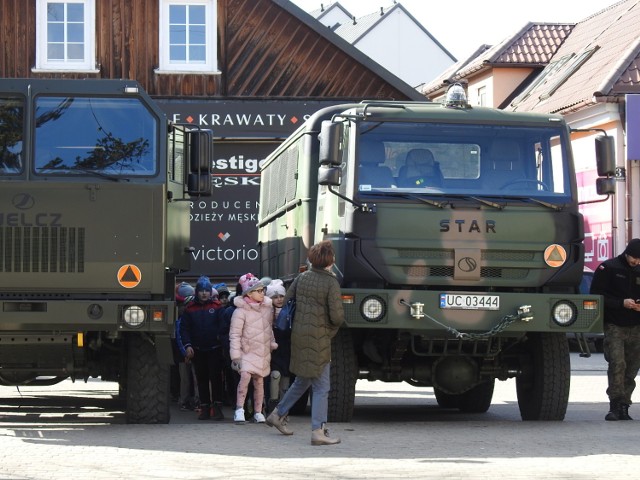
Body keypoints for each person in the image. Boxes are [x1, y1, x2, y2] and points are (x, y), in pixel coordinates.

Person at [266, 240, 345, 446]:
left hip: (299, 335)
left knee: (303, 379)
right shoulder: (331, 282)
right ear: (330, 261)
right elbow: (336, 317)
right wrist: (331, 329)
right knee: (321, 386)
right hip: (320, 338)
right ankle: (318, 431)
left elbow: (288, 304)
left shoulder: (301, 278)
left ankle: (277, 413)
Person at [590, 238, 640, 421]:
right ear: (626, 253)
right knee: (617, 364)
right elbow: (596, 296)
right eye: (634, 258)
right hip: (615, 325)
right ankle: (615, 405)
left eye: (639, 260)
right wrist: (621, 303)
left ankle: (625, 406)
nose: (636, 262)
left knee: (632, 368)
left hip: (637, 326)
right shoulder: (608, 268)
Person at [229, 273, 278, 424]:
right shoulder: (240, 311)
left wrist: (271, 343)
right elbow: (235, 334)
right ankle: (239, 409)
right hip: (246, 352)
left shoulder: (267, 309)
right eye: (258, 291)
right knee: (245, 377)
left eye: (263, 290)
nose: (262, 293)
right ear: (249, 293)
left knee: (259, 381)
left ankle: (258, 411)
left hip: (261, 351)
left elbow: (268, 329)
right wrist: (235, 355)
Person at [180, 276, 226, 420]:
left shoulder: (217, 307)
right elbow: (184, 330)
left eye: (207, 290)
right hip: (198, 350)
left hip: (215, 349)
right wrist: (187, 345)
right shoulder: (189, 309)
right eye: (202, 291)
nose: (204, 293)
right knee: (202, 380)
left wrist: (220, 338)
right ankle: (204, 408)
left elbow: (224, 326)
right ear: (197, 292)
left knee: (216, 379)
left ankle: (217, 408)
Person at [266, 279, 291, 412]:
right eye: (275, 297)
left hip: (287, 348)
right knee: (275, 375)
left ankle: (284, 407)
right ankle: (273, 404)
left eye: (281, 296)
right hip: (273, 350)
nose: (279, 299)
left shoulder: (290, 312)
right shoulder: (267, 313)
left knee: (286, 379)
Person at [174, 281, 199, 411]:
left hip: (189, 352)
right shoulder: (181, 319)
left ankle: (190, 401)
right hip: (187, 353)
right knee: (188, 379)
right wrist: (186, 353)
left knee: (189, 379)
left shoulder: (182, 316)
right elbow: (179, 336)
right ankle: (189, 401)